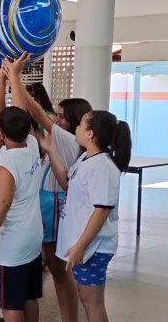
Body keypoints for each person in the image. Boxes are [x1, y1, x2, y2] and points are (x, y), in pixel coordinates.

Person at [3, 53, 93, 322]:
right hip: (45, 201)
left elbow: (37, 112)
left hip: (52, 202)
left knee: (57, 270)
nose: (58, 119)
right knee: (50, 268)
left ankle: (69, 318)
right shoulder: (63, 138)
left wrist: (15, 77)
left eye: (63, 116)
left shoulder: (66, 138)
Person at [42, 110, 131, 322]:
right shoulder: (86, 158)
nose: (76, 128)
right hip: (83, 245)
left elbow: (102, 211)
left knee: (92, 302)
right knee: (86, 297)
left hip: (94, 247)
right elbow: (66, 183)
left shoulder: (102, 167)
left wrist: (80, 246)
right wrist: (50, 151)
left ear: (90, 134)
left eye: (81, 125)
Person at [0, 105, 44, 322]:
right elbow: (6, 114)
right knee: (28, 295)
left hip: (10, 244)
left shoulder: (6, 162)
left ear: (2, 134)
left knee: (10, 304)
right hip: (33, 236)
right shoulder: (32, 143)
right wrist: (8, 76)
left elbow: (4, 201)